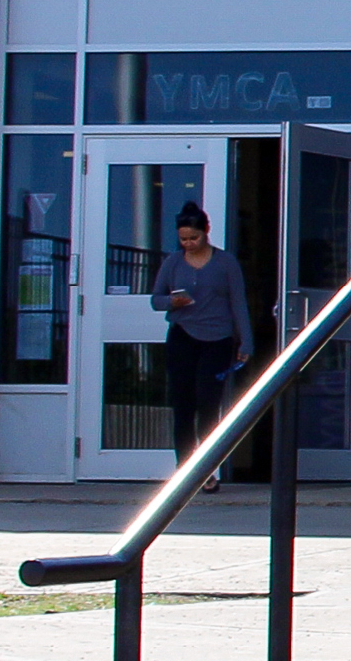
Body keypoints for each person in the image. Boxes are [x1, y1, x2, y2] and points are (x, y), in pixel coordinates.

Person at [151, 204, 251, 492]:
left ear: (206, 231)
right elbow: (156, 299)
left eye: (193, 238)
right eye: (183, 239)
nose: (189, 244)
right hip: (182, 336)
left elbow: (238, 302)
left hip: (218, 340)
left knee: (209, 405)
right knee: (183, 405)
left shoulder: (226, 263)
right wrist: (172, 302)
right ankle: (185, 469)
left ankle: (207, 468)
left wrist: (246, 341)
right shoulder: (173, 262)